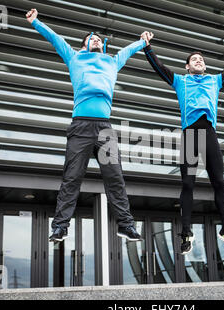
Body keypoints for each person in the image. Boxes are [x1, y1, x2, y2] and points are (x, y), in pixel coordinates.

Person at [26, 8, 149, 242]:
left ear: (102, 45)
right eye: (90, 38)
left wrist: (142, 42)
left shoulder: (112, 61)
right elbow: (55, 38)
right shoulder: (74, 57)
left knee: (115, 178)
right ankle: (60, 227)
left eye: (98, 39)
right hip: (81, 127)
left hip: (105, 129)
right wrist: (36, 22)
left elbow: (128, 50)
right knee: (72, 178)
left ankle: (126, 225)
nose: (95, 40)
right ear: (84, 45)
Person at [142, 31, 224, 254]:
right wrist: (147, 47)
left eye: (201, 60)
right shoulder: (180, 81)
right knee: (187, 184)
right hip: (190, 134)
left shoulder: (215, 80)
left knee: (219, 183)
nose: (199, 61)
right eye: (194, 59)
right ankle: (186, 233)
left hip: (209, 133)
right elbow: (159, 67)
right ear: (187, 66)